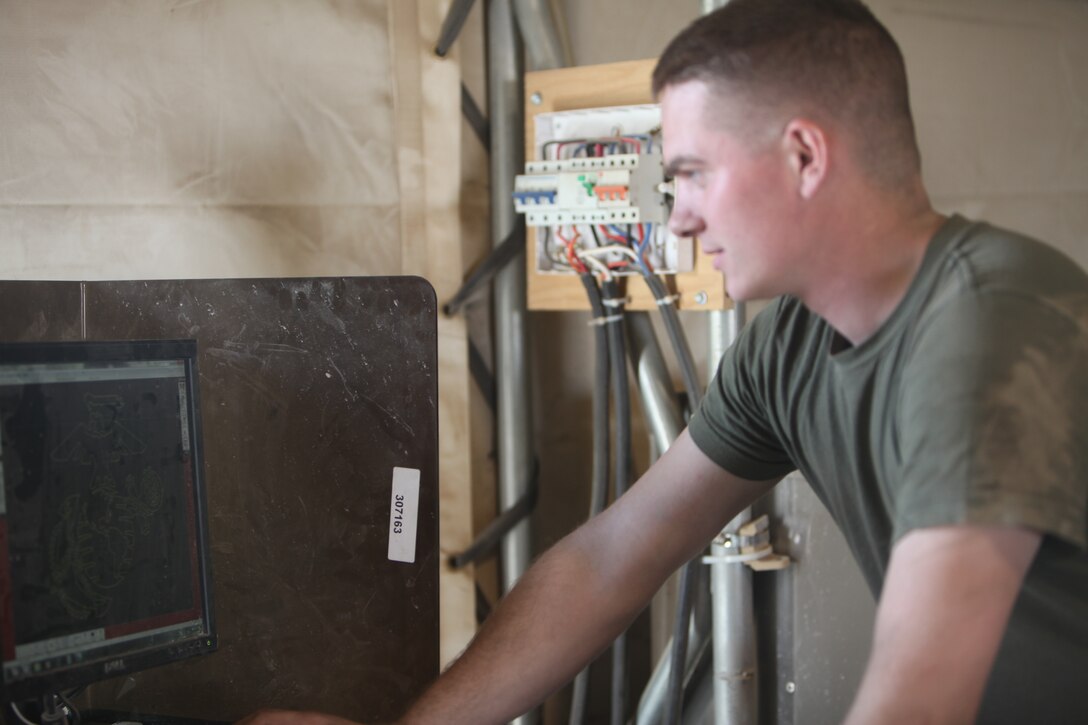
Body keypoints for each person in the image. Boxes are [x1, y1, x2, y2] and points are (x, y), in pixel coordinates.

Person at [239, 0, 1088, 723]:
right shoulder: (788, 346)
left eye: (689, 174)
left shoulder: (990, 328)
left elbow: (916, 698)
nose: (674, 218)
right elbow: (613, 557)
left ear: (804, 154)